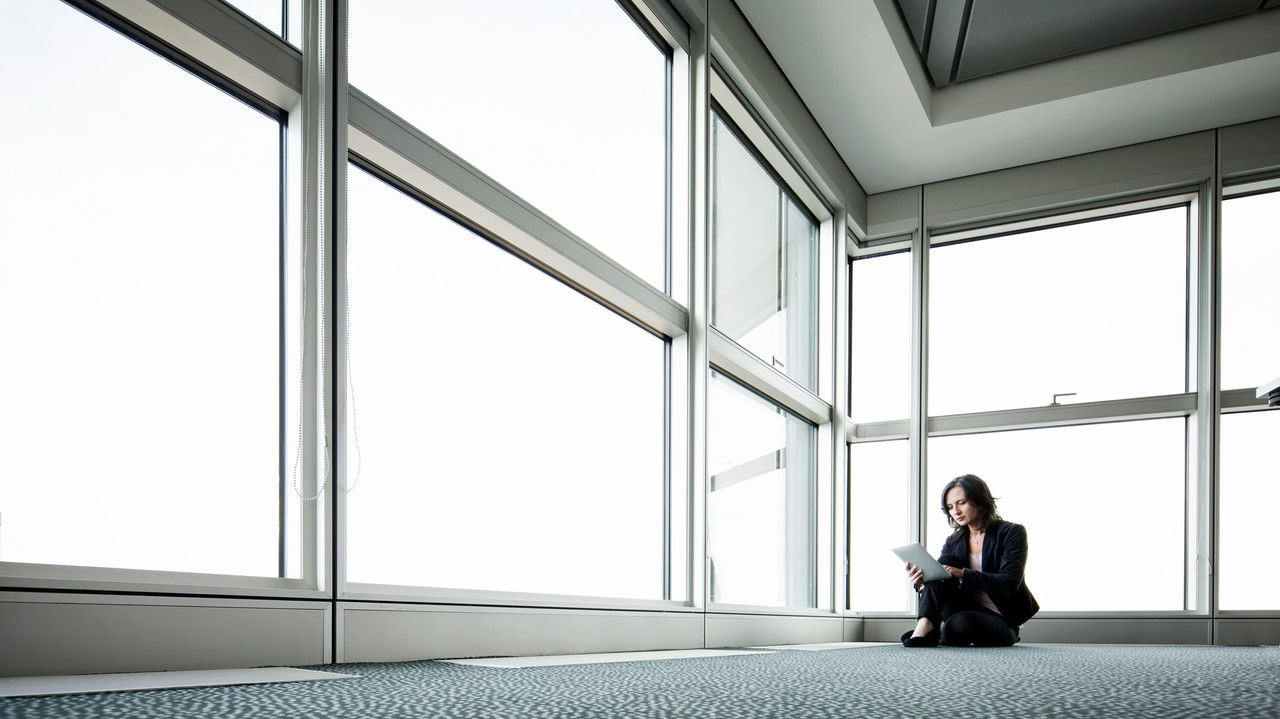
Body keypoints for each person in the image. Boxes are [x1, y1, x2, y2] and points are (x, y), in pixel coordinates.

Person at [901, 474, 1039, 647]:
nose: (955, 511)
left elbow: (1009, 583)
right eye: (950, 507)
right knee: (946, 562)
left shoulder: (1011, 532)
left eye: (962, 503)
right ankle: (924, 627)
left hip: (1001, 617)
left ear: (980, 500)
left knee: (958, 624)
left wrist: (961, 573)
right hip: (963, 607)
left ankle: (936, 632)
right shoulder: (954, 541)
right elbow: (941, 585)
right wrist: (924, 579)